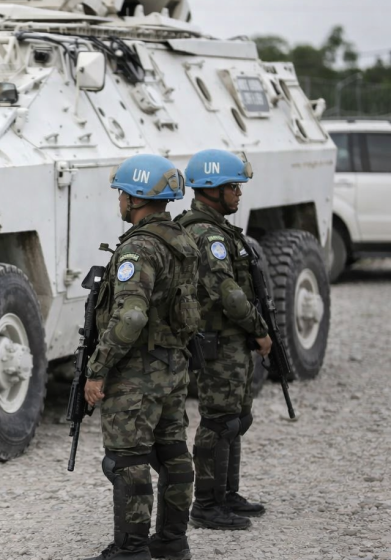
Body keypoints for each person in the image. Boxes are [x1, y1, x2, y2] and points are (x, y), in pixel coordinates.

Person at [83, 154, 200, 560]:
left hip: (137, 372)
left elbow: (131, 314)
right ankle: (172, 542)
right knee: (172, 452)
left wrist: (98, 369)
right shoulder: (181, 240)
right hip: (173, 366)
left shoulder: (139, 248)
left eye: (122, 194)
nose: (119, 201)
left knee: (127, 460)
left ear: (136, 198)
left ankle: (131, 549)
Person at [175, 149, 272, 531]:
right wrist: (258, 328)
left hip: (231, 340)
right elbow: (225, 290)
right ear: (213, 189)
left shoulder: (219, 229)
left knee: (235, 418)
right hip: (219, 339)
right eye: (233, 186)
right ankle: (206, 504)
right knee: (218, 422)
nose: (239, 193)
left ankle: (227, 494)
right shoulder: (206, 233)